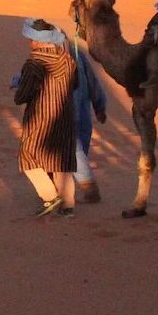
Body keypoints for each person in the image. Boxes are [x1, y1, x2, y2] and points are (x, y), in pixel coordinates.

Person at [13, 18, 80, 216]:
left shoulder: (34, 64)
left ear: (38, 41)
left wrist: (18, 86)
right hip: (65, 116)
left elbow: (22, 96)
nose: (30, 42)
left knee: (28, 157)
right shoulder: (68, 61)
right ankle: (68, 207)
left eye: (31, 39)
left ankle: (50, 196)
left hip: (41, 118)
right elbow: (74, 86)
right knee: (62, 161)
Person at [62, 32, 109, 202]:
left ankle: (88, 188)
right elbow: (93, 81)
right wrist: (100, 106)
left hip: (67, 112)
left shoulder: (55, 56)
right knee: (77, 151)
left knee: (73, 150)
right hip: (82, 112)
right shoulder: (77, 54)